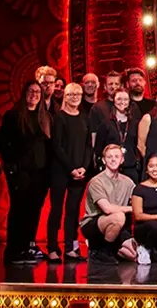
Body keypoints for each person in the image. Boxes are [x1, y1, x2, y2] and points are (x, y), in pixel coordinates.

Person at [0, 81, 52, 264]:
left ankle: (28, 246)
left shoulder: (45, 118)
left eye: (37, 92)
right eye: (30, 91)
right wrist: (11, 167)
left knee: (33, 210)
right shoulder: (13, 116)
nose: (34, 95)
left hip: (40, 172)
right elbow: (3, 143)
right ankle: (14, 249)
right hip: (20, 170)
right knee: (18, 209)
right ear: (24, 94)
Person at [48, 81, 94, 261]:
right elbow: (57, 146)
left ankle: (70, 248)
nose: (74, 98)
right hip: (61, 171)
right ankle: (52, 248)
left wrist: (83, 167)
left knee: (73, 211)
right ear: (65, 96)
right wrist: (71, 168)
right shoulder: (59, 117)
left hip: (80, 172)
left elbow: (88, 146)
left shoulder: (84, 117)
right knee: (56, 210)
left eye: (77, 95)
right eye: (71, 95)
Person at [81, 143, 139, 262]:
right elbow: (107, 209)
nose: (113, 160)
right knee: (119, 216)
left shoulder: (128, 182)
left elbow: (139, 200)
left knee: (132, 255)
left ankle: (106, 248)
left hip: (116, 226)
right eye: (109, 157)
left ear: (122, 160)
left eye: (117, 157)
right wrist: (130, 209)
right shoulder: (96, 181)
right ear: (103, 160)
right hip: (94, 223)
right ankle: (100, 252)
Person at [94, 87, 141, 179]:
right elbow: (99, 148)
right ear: (114, 101)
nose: (122, 102)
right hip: (111, 169)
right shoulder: (106, 123)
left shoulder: (135, 123)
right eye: (119, 99)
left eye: (125, 99)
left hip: (131, 168)